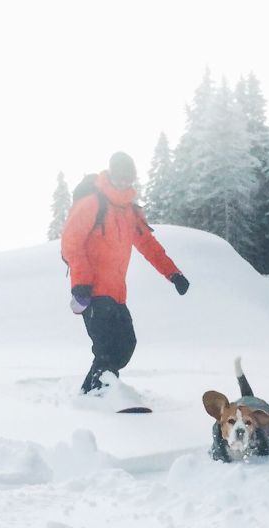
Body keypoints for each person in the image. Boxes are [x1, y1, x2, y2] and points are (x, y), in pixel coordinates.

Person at [61, 151, 189, 394]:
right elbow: (71, 242)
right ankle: (101, 395)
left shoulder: (130, 212)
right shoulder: (93, 203)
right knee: (107, 349)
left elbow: (149, 246)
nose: (124, 183)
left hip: (117, 293)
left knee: (126, 344)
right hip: (92, 291)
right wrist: (81, 282)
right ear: (111, 174)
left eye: (128, 179)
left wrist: (174, 274)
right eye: (120, 178)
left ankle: (91, 393)